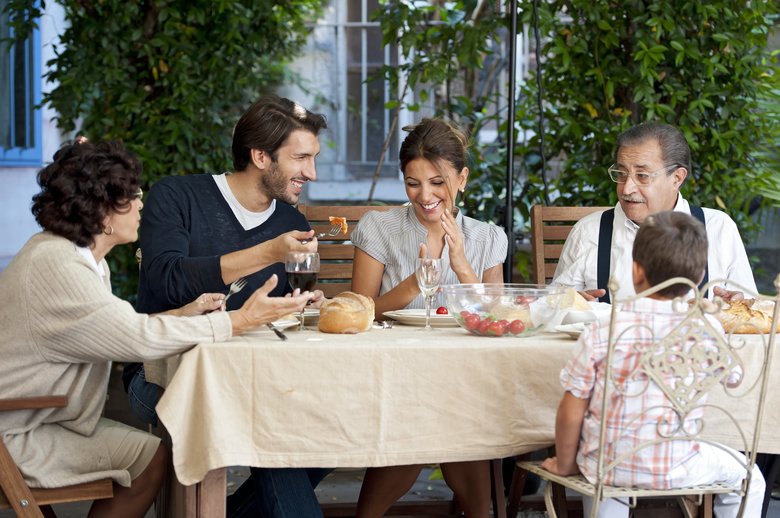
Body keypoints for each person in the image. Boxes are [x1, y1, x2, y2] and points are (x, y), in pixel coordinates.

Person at [0, 140, 312, 518]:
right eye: (133, 195)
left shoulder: (77, 258)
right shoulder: (58, 266)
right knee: (149, 460)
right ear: (102, 211)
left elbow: (115, 328)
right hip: (17, 432)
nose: (141, 204)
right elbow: (136, 340)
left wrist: (184, 313)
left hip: (39, 419)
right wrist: (240, 319)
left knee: (150, 456)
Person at [122, 94, 331, 517]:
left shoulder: (292, 222)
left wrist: (306, 305)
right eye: (301, 158)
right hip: (163, 375)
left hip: (264, 376)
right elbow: (165, 277)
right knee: (268, 415)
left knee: (335, 425)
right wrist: (267, 251)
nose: (311, 172)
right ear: (260, 155)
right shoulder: (177, 195)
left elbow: (283, 311)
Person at [541, 211, 765, 518]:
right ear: (699, 277)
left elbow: (573, 404)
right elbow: (734, 379)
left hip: (607, 464)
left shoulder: (604, 328)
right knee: (750, 480)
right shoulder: (705, 326)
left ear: (636, 272)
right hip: (679, 463)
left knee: (605, 473)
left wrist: (565, 464)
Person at [350, 118, 508, 518]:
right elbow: (358, 310)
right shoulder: (380, 227)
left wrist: (461, 265)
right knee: (434, 414)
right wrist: (412, 286)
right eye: (412, 182)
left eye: (438, 182)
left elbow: (497, 320)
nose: (425, 195)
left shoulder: (487, 237)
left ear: (462, 178)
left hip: (463, 373)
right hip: (396, 368)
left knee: (457, 411)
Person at [552, 121, 755, 303]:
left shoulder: (718, 228)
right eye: (621, 174)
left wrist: (740, 303)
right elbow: (551, 308)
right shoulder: (589, 232)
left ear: (677, 178)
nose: (626, 188)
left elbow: (750, 309)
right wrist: (565, 304)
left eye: (642, 175)